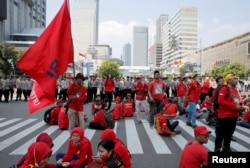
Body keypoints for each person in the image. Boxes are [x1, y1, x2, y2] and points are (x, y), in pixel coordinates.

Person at [214, 74, 245, 152]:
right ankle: (217, 148)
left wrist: (241, 107)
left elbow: (236, 101)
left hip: (234, 116)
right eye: (234, 78)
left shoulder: (235, 90)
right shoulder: (224, 89)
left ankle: (226, 147)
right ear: (229, 80)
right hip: (224, 116)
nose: (236, 80)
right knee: (220, 134)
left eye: (236, 78)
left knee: (229, 133)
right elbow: (220, 101)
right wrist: (235, 107)